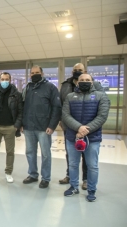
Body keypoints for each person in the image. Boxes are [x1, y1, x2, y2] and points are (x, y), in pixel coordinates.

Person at [62, 73, 110, 202]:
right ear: (77, 82)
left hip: (92, 138)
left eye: (87, 80)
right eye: (82, 80)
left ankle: (91, 189)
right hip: (73, 137)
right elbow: (65, 115)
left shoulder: (101, 96)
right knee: (72, 164)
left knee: (92, 165)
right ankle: (73, 186)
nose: (84, 82)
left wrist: (85, 130)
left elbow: (102, 116)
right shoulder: (70, 97)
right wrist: (79, 128)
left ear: (92, 82)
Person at [21, 65, 62, 188]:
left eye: (37, 72)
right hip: (28, 127)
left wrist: (52, 125)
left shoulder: (50, 88)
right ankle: (33, 174)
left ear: (42, 73)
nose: (34, 74)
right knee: (30, 152)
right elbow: (22, 106)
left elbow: (57, 107)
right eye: (32, 73)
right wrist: (22, 123)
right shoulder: (27, 88)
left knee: (45, 154)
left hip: (44, 128)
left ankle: (45, 178)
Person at [0, 72, 23, 183]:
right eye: (2, 79)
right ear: (0, 80)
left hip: (10, 127)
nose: (4, 81)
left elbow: (20, 111)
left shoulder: (16, 94)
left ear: (10, 80)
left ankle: (8, 172)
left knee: (10, 151)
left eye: (6, 79)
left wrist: (16, 125)